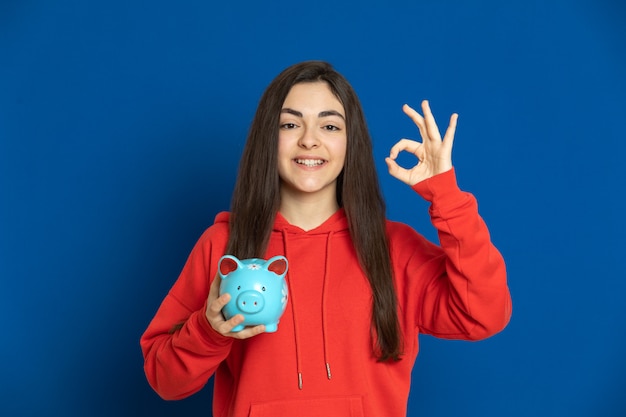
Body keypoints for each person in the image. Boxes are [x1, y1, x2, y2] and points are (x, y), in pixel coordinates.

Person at [140, 61, 512, 417]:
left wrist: (445, 194)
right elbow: (164, 379)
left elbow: (484, 315)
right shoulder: (223, 246)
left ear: (352, 142)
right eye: (290, 124)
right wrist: (208, 331)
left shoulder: (394, 248)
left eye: (330, 127)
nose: (309, 141)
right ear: (267, 138)